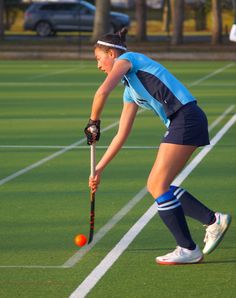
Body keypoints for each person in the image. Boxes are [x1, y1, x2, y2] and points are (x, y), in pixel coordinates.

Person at [84, 28, 231, 265]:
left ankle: (190, 246)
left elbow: (102, 91)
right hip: (181, 121)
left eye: (99, 59)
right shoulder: (130, 89)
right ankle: (212, 221)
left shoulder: (128, 60)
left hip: (186, 118)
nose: (98, 65)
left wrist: (93, 122)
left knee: (157, 184)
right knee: (159, 185)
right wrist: (99, 169)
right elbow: (122, 134)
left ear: (111, 53)